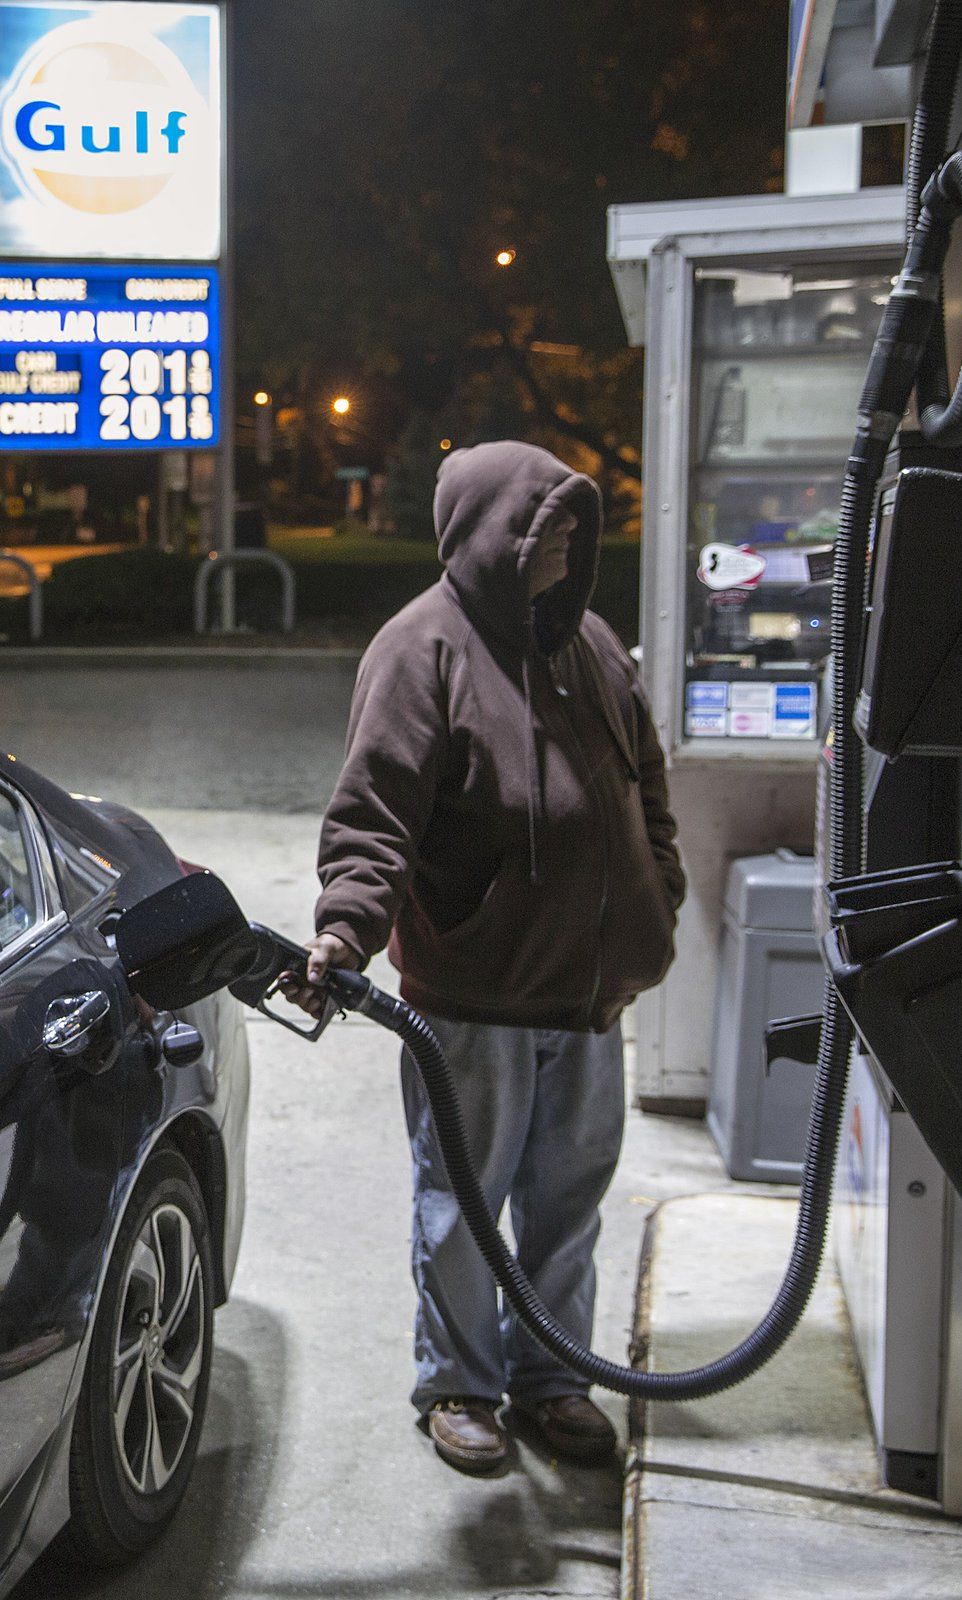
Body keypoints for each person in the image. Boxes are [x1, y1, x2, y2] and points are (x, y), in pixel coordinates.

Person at [290, 441, 684, 1474]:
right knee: (464, 1206)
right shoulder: (421, 648)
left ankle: (554, 1377)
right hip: (475, 997)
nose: (565, 540)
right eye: (547, 524)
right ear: (492, 535)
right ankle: (460, 1384)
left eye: (573, 526)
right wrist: (345, 925)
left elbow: (645, 784)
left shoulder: (589, 641)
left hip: (592, 996)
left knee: (567, 1203)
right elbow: (375, 814)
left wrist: (657, 901)